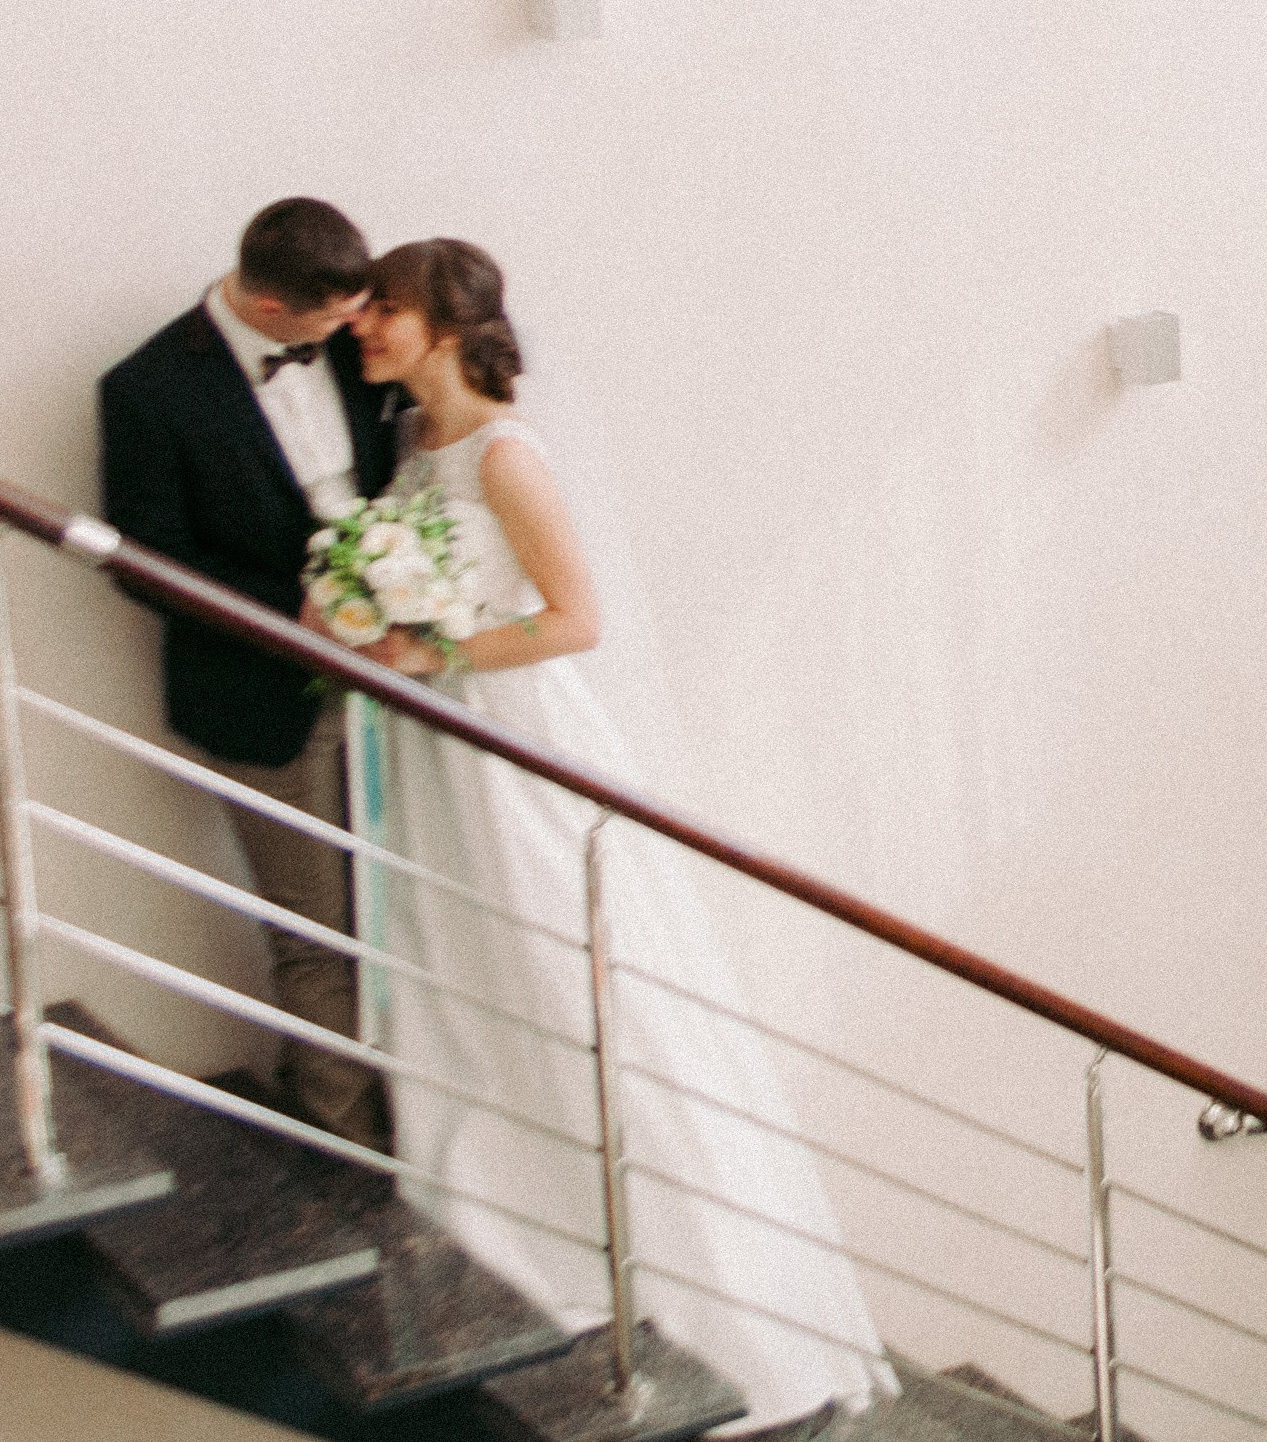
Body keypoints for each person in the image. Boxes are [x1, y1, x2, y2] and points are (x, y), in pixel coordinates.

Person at [329, 238, 890, 1427]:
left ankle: (714, 1297)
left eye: (388, 305)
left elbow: (575, 618)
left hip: (515, 734)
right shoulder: (409, 447)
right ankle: (511, 1213)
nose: (365, 321)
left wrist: (433, 648)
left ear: (445, 324)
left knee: (569, 970)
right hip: (435, 743)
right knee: (467, 963)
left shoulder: (505, 454)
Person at [99, 197, 400, 1150]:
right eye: (330, 319)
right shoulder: (145, 390)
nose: (354, 332)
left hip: (404, 680)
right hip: (261, 697)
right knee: (317, 933)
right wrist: (296, 614)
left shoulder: (355, 343)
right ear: (270, 308)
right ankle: (347, 1149)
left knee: (408, 917)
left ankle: (431, 1130)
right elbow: (143, 562)